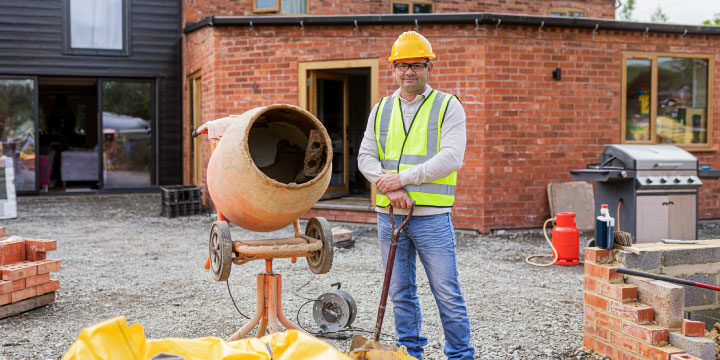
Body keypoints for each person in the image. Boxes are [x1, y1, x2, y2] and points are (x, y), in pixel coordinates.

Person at [357, 31, 475, 360]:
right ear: (392, 68)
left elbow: (451, 158)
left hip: (432, 218)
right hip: (389, 216)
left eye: (417, 65)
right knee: (400, 293)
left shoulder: (448, 107)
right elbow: (365, 157)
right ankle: (411, 355)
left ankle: (461, 356)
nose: (409, 71)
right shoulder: (381, 109)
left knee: (447, 294)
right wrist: (392, 187)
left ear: (429, 68)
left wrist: (403, 178)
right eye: (402, 65)